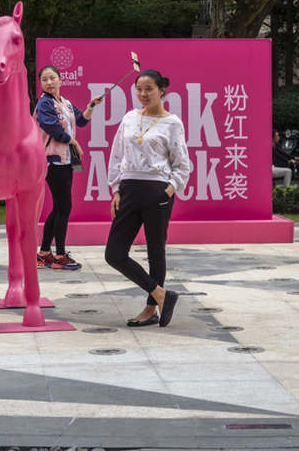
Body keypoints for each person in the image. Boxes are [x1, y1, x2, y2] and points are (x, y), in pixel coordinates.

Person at [105, 69, 192, 328]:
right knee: (114, 253)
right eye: (139, 89)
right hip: (129, 190)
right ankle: (162, 294)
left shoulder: (172, 123)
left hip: (157, 192)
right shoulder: (130, 118)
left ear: (162, 90)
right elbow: (116, 156)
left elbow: (182, 164)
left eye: (149, 89)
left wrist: (168, 189)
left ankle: (150, 309)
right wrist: (116, 189)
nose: (143, 94)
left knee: (156, 251)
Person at [34, 65, 101, 270]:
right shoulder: (44, 104)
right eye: (44, 79)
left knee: (61, 206)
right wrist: (72, 142)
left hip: (65, 161)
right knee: (64, 207)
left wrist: (91, 106)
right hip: (52, 160)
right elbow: (51, 127)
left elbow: (80, 121)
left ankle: (44, 252)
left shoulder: (65, 103)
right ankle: (60, 255)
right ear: (41, 83)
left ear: (61, 79)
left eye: (52, 78)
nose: (49, 82)